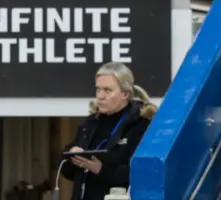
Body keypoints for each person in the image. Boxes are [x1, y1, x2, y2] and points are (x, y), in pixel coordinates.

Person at [60, 62, 158, 200]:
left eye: (107, 90)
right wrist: (71, 157)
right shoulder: (89, 124)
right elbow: (67, 172)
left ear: (125, 93)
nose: (100, 96)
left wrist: (101, 170)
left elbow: (143, 174)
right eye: (98, 89)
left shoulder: (140, 125)